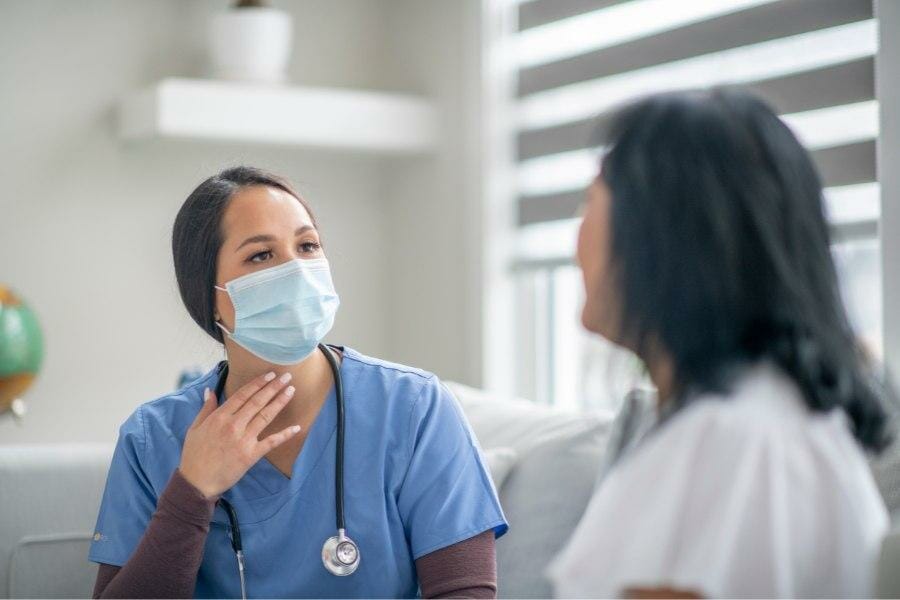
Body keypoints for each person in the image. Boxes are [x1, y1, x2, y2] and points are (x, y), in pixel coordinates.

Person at [88, 166, 508, 598]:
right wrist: (191, 492)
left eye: (307, 246)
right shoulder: (152, 439)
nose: (298, 271)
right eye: (261, 256)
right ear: (208, 296)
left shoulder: (415, 408)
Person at [547, 88, 894, 598]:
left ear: (665, 236)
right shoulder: (748, 423)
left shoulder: (735, 444)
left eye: (590, 202)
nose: (574, 239)